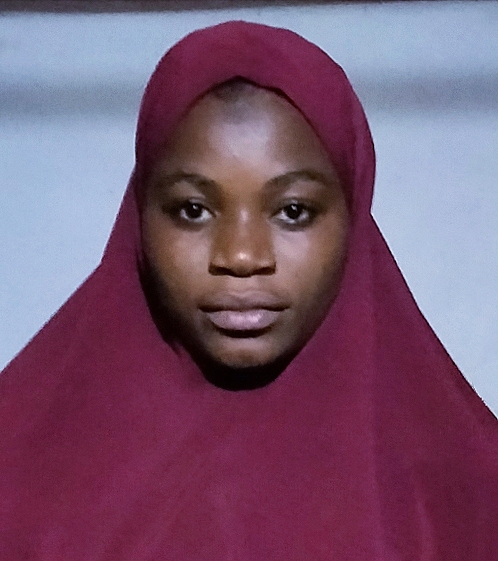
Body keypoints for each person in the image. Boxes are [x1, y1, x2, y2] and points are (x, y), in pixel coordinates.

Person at [0, 21, 497, 560]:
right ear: (139, 216)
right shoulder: (16, 467)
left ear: (353, 214)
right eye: (193, 210)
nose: (241, 256)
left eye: (293, 211)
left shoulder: (467, 489)